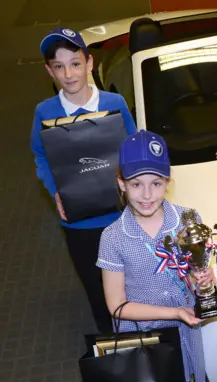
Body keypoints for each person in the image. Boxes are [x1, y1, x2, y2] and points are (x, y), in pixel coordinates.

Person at [97, 130, 217, 382]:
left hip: (184, 329)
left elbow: (194, 274)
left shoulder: (188, 220)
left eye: (156, 183)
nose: (147, 194)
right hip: (144, 335)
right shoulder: (113, 238)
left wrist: (204, 282)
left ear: (168, 182)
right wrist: (174, 312)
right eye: (136, 184)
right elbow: (117, 306)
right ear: (121, 184)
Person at [30, 27, 137, 334]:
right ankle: (112, 344)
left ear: (89, 64)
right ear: (49, 70)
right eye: (59, 66)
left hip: (120, 213)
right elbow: (40, 156)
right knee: (95, 284)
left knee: (131, 278)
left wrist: (134, 185)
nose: (68, 74)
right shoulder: (44, 112)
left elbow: (132, 148)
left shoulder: (114, 103)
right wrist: (56, 193)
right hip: (79, 222)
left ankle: (144, 337)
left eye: (75, 63)